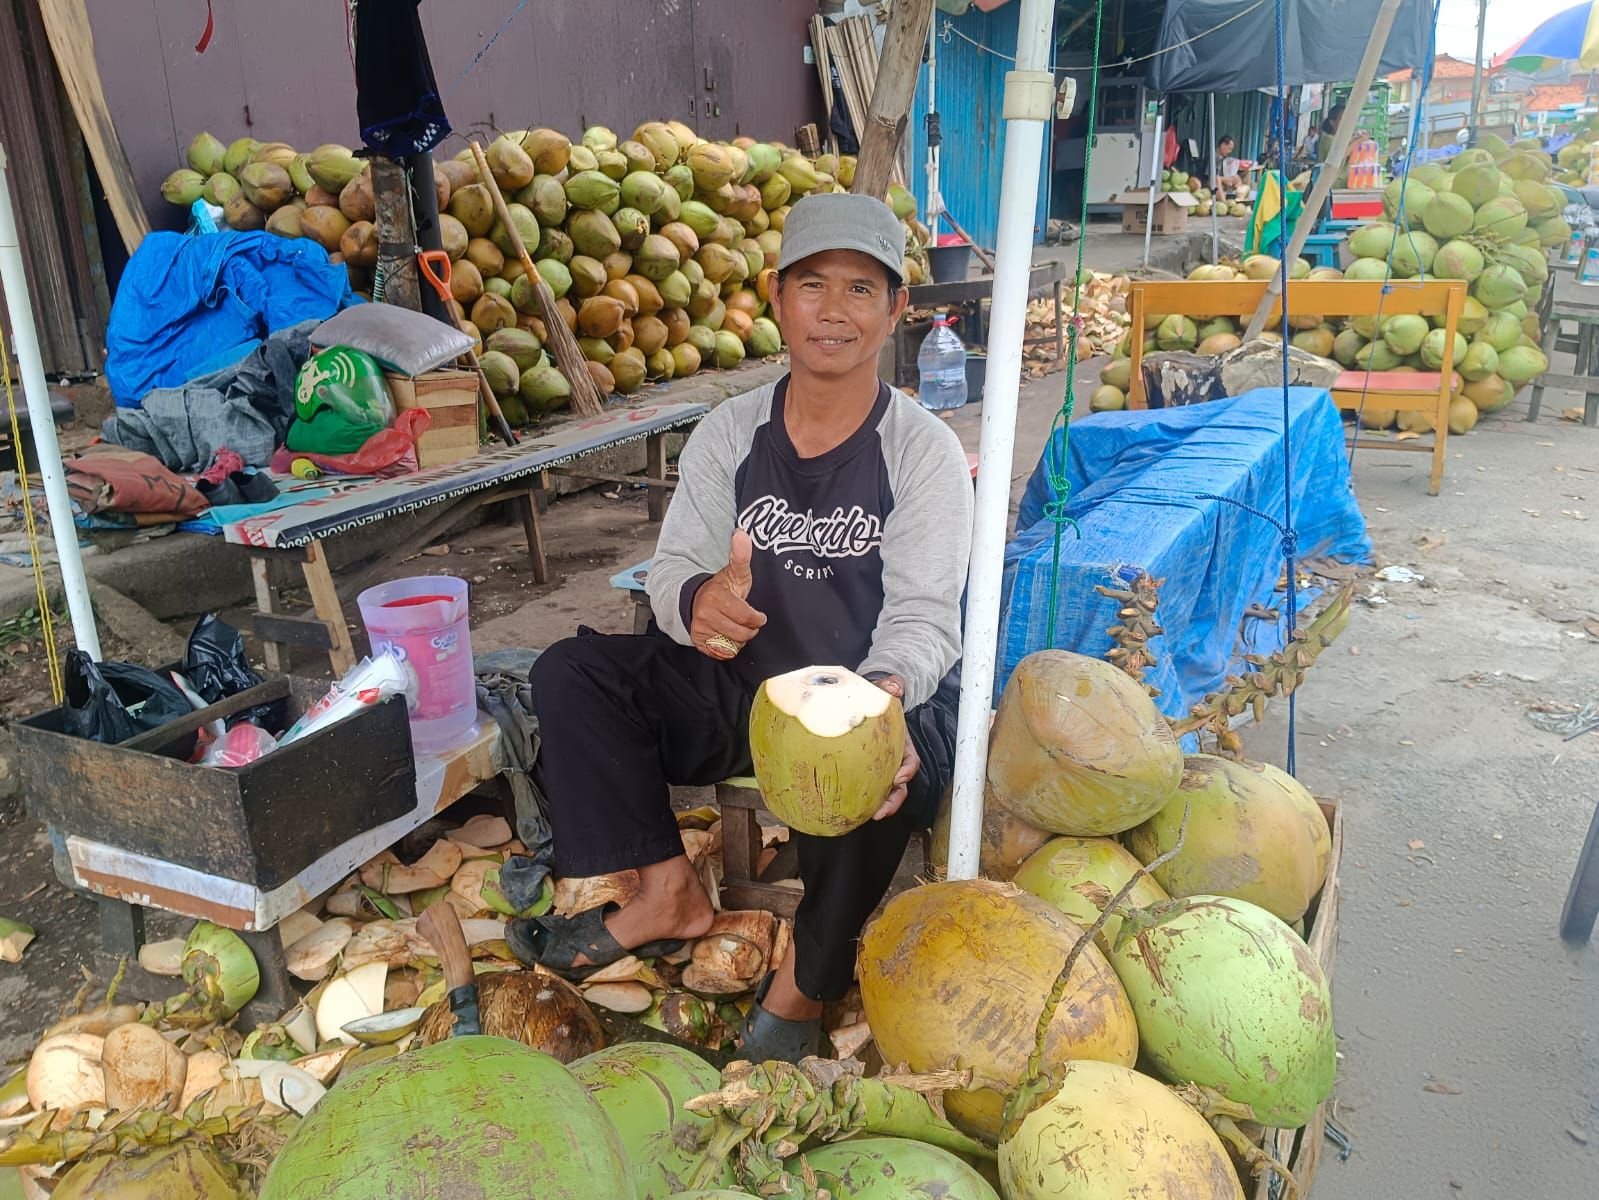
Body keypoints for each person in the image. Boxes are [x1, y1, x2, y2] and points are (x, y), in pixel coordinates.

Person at [513, 192, 974, 1062]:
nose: (833, 310)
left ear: (895, 311)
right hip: (744, 688)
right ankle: (664, 893)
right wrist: (695, 602)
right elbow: (673, 566)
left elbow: (921, 614)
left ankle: (803, 989)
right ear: (774, 295)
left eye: (860, 289)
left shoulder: (921, 451)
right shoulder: (730, 431)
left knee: (869, 778)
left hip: (879, 692)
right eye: (811, 285)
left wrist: (874, 707)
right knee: (572, 675)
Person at [1213, 135, 1245, 200]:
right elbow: (1212, 177)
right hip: (1213, 180)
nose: (1229, 151)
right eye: (1229, 149)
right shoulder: (1213, 157)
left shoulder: (1222, 158)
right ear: (1223, 145)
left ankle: (1236, 199)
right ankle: (1223, 202)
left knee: (1237, 178)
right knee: (1217, 179)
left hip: (1221, 178)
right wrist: (1224, 180)